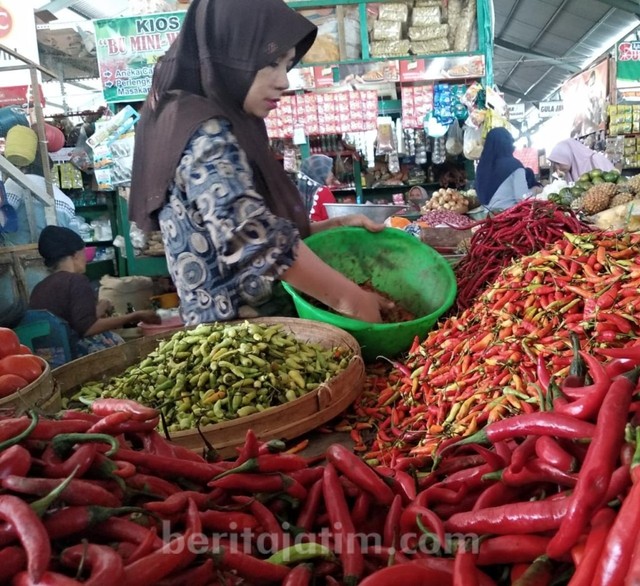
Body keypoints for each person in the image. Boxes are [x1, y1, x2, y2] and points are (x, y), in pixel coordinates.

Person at [129, 0, 392, 325]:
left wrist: (329, 227)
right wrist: (350, 299)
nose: (284, 81)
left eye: (287, 65)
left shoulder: (189, 114)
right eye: (270, 63)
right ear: (229, 52)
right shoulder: (205, 129)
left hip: (248, 335)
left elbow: (229, 224)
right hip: (243, 346)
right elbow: (247, 236)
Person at [29, 226, 160, 358]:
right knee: (114, 341)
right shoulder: (76, 281)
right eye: (83, 252)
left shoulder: (39, 288)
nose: (86, 259)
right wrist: (135, 316)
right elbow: (87, 328)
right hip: (69, 353)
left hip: (43, 357)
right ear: (75, 255)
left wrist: (101, 306)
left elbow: (75, 321)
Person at [2, 162, 79, 246]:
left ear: (22, 168)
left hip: (18, 252)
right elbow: (75, 238)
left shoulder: (14, 183)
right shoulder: (67, 200)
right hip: (54, 255)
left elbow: (3, 216)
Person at [475, 127, 531, 210]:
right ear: (508, 143)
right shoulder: (515, 165)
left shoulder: (482, 166)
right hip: (508, 218)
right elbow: (522, 198)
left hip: (485, 217)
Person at [547, 138, 615, 183]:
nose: (558, 168)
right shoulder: (568, 172)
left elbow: (613, 182)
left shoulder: (596, 160)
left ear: (568, 156)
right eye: (555, 164)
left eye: (559, 163)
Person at [296, 154, 337, 222]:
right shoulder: (323, 191)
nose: (332, 174)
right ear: (320, 172)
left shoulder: (301, 191)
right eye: (328, 171)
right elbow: (332, 220)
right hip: (323, 231)